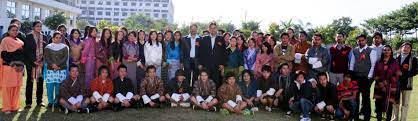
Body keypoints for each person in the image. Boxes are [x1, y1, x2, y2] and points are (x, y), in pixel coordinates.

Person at [349, 34, 377, 121]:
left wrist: (369, 78)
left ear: (366, 41)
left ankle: (367, 117)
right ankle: (356, 117)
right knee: (356, 98)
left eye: (362, 40)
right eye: (359, 40)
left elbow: (373, 65)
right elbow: (352, 64)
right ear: (357, 41)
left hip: (366, 78)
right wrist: (351, 75)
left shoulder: (371, 50)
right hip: (356, 77)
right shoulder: (355, 50)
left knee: (366, 99)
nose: (360, 42)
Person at [0, 24, 25, 113]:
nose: (14, 32)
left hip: (19, 68)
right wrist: (13, 65)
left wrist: (21, 65)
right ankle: (7, 107)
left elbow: (22, 55)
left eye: (16, 30)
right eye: (12, 30)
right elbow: (4, 55)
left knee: (16, 87)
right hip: (9, 67)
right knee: (7, 88)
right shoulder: (5, 41)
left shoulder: (20, 42)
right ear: (8, 31)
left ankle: (15, 107)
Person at [24, 20, 48, 109]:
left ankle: (39, 101)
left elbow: (46, 50)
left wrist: (42, 61)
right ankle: (28, 103)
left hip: (41, 63)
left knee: (40, 82)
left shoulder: (44, 37)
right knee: (30, 82)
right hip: (31, 63)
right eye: (37, 26)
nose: (39, 28)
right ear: (33, 27)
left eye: (40, 26)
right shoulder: (29, 36)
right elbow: (27, 50)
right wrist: (34, 60)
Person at [373, 45, 400, 121]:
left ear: (391, 51)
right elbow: (375, 74)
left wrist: (386, 82)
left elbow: (397, 74)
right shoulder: (378, 61)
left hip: (391, 87)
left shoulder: (395, 62)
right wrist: (381, 83)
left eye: (388, 50)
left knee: (389, 106)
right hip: (379, 86)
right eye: (385, 50)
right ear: (382, 51)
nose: (386, 51)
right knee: (378, 105)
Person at [197, 22, 227, 87]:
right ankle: (207, 96)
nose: (213, 30)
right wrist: (200, 63)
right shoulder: (204, 38)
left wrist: (222, 64)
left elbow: (224, 52)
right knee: (206, 81)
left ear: (216, 29)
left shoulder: (221, 39)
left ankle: (215, 96)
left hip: (217, 65)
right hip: (206, 64)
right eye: (211, 28)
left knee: (216, 81)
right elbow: (200, 52)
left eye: (214, 28)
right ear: (209, 29)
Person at [44, 31, 69, 108]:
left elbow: (65, 58)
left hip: (61, 70)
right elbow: (47, 58)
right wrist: (53, 65)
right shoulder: (48, 47)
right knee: (50, 87)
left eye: (59, 38)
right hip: (50, 70)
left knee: (59, 87)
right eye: (56, 38)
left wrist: (57, 66)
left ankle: (57, 102)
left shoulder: (65, 47)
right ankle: (50, 102)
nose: (58, 39)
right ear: (53, 38)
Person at [393, 42, 417, 121]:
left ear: (410, 50)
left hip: (407, 84)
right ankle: (395, 118)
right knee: (395, 102)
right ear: (401, 48)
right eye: (404, 47)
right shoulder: (396, 57)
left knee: (405, 104)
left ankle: (403, 119)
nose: (406, 49)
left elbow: (415, 71)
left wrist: (403, 74)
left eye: (408, 48)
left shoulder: (413, 59)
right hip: (396, 84)